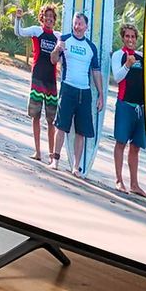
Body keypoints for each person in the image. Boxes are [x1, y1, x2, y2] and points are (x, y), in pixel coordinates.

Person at [54, 11, 105, 176]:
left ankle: (76, 167)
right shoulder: (65, 39)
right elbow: (53, 60)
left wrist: (101, 95)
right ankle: (55, 160)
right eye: (75, 23)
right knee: (61, 125)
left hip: (85, 92)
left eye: (80, 24)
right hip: (68, 88)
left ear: (86, 26)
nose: (77, 26)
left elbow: (96, 72)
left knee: (81, 131)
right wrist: (57, 49)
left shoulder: (91, 47)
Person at [14, 5, 63, 165]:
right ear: (42, 18)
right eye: (46, 16)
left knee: (51, 119)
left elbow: (63, 57)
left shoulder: (58, 36)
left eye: (52, 17)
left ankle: (51, 154)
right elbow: (19, 32)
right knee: (36, 116)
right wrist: (18, 18)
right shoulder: (36, 30)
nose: (49, 19)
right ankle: (37, 151)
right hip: (37, 79)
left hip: (51, 82)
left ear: (55, 19)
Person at [109, 23, 146, 196]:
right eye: (127, 36)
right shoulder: (118, 55)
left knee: (136, 147)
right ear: (123, 37)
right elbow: (117, 77)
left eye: (133, 37)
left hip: (140, 107)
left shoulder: (142, 56)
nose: (130, 39)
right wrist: (127, 65)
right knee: (121, 142)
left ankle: (134, 184)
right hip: (125, 104)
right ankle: (119, 180)